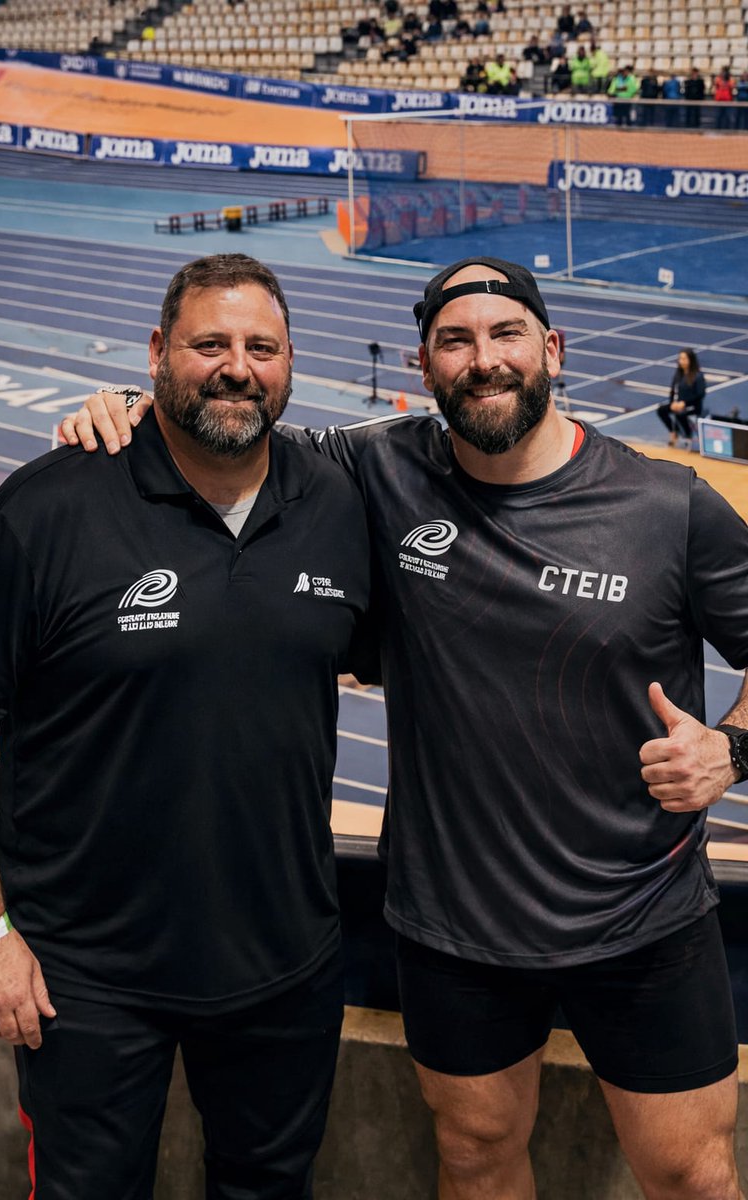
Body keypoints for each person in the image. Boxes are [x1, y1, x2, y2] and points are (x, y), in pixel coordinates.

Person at [64, 256, 748, 1200]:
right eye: (455, 342)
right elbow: (231, 416)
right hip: (454, 928)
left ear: (551, 348)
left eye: (506, 335)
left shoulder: (670, 507)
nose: (484, 361)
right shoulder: (378, 469)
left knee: (693, 1175)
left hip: (643, 922)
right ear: (424, 369)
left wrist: (731, 747)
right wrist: (126, 407)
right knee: (472, 1156)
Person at [0, 255, 375, 1199]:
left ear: (291, 363)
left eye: (261, 347)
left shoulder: (337, 506)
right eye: (208, 344)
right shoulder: (48, 507)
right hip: (84, 977)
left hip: (283, 961)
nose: (237, 367)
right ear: (155, 355)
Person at [657, 347, 707, 446]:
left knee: (680, 413)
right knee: (661, 410)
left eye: (684, 359)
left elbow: (700, 394)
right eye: (680, 359)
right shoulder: (678, 374)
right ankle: (673, 432)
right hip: (677, 404)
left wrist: (685, 403)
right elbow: (673, 390)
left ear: (691, 360)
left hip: (693, 406)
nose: (681, 361)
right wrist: (672, 403)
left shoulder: (698, 375)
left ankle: (688, 436)